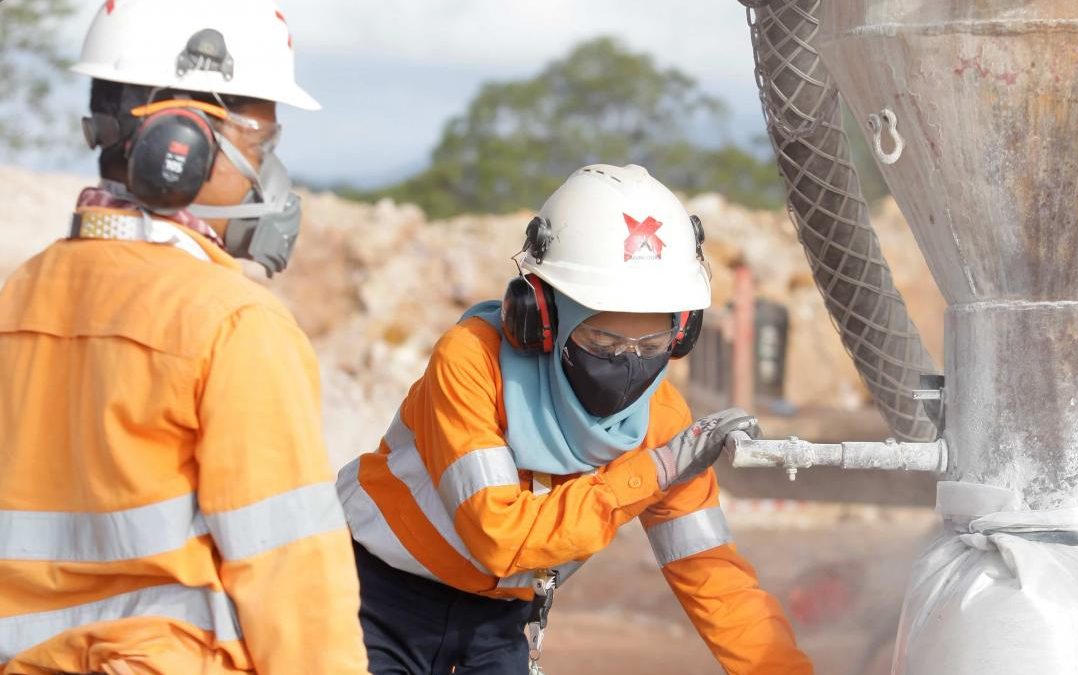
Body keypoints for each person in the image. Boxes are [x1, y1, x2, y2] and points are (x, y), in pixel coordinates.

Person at [0, 1, 368, 673]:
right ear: (183, 145)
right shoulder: (232, 323)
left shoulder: (18, 294)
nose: (270, 175)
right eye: (261, 145)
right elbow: (292, 575)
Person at [338, 163, 814, 674]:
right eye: (603, 342)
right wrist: (649, 474)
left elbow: (714, 578)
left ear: (684, 333)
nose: (630, 363)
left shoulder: (662, 423)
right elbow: (499, 537)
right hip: (373, 595)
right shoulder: (471, 363)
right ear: (540, 316)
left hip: (495, 623)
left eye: (652, 345)